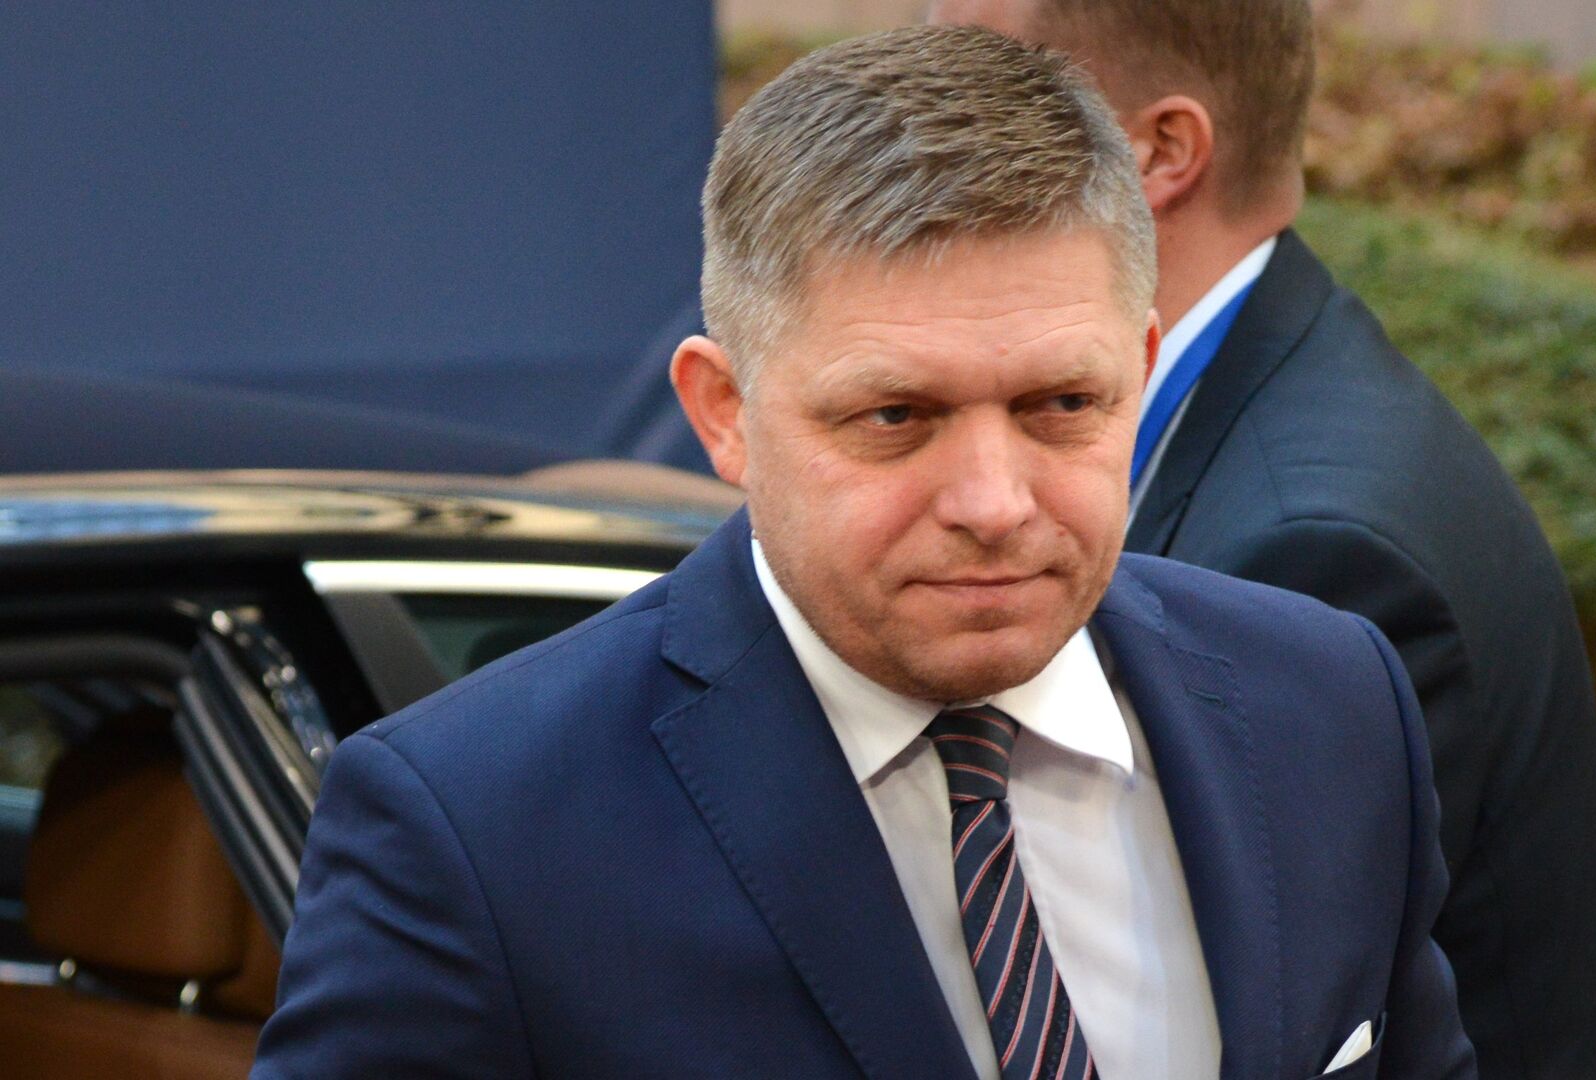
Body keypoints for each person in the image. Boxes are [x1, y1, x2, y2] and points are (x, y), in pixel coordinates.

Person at [253, 25, 1475, 1079]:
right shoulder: (477, 831)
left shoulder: (1329, 709)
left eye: (1062, 404)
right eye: (895, 417)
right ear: (724, 412)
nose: (993, 502)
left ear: (1142, 369)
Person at [926, 3, 1596, 1077]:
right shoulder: (1278, 401)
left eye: (986, 96)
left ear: (1162, 151)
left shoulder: (1314, 550)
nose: (923, 139)